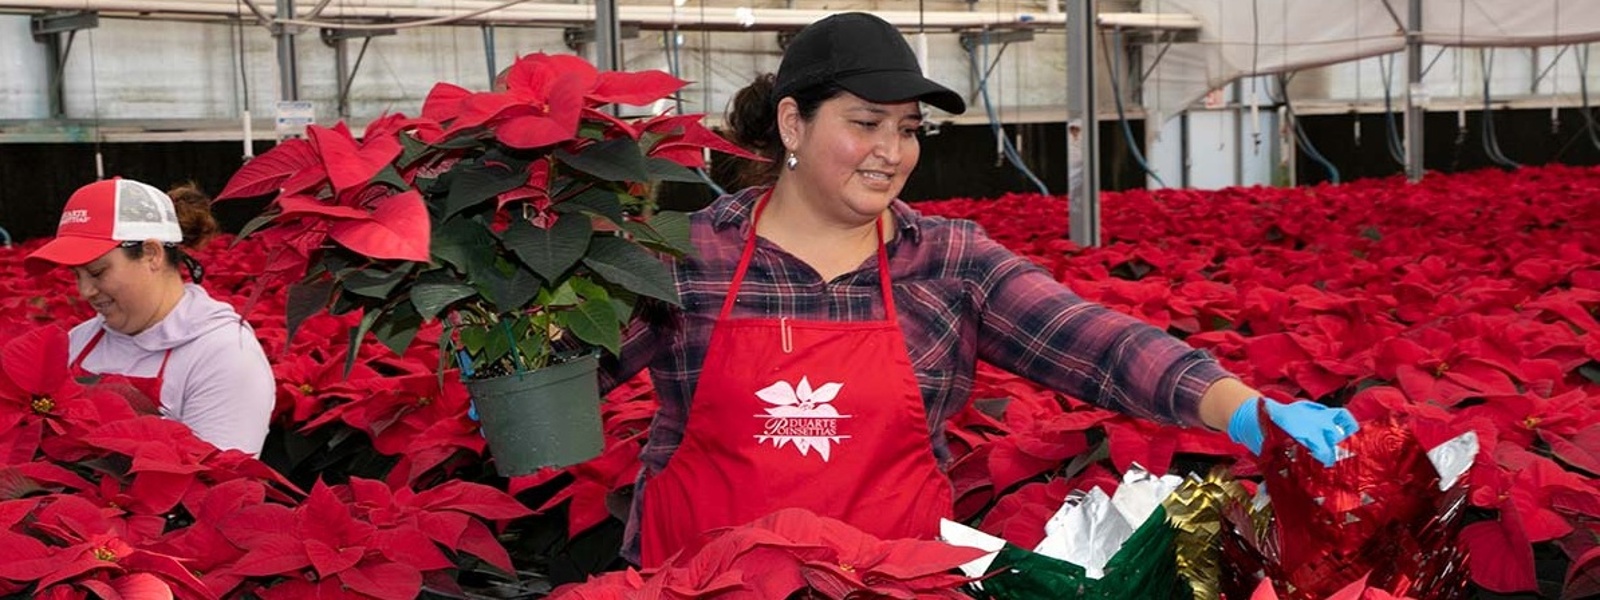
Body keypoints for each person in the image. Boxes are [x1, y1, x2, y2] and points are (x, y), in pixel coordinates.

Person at [597, 12, 1359, 567]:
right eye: (866, 124)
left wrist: (1243, 409)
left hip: (893, 586)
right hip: (698, 583)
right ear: (792, 124)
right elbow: (556, 371)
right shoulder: (684, 254)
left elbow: (1095, 342)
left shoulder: (950, 259)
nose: (891, 152)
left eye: (909, 129)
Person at [26, 177, 275, 456]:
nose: (85, 291)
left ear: (151, 254)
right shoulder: (79, 341)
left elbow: (217, 482)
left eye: (97, 272)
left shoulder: (224, 354)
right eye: (76, 275)